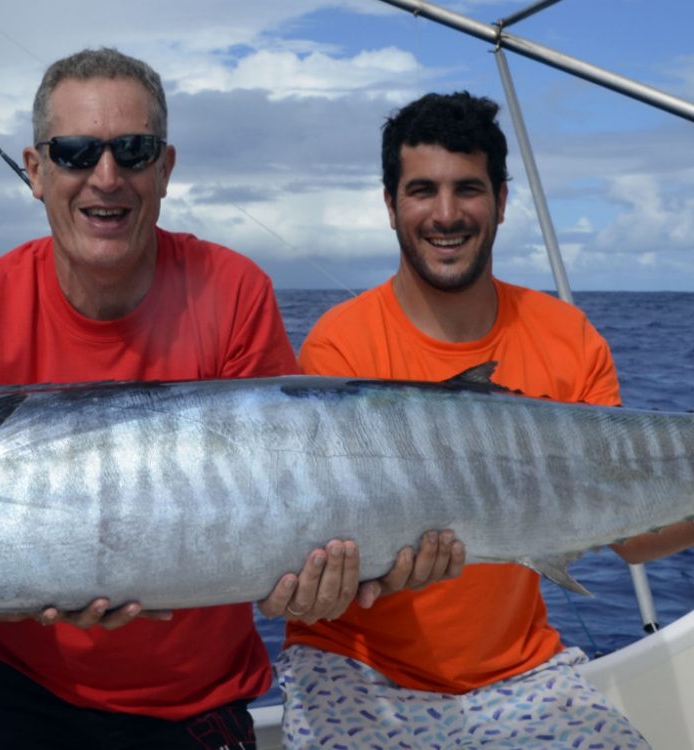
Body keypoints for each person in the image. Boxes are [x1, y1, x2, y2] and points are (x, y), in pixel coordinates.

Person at [0, 48, 462, 749]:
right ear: (36, 170)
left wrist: (322, 581)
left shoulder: (234, 291)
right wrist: (22, 599)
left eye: (134, 150)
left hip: (194, 703)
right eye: (77, 152)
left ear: (166, 169)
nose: (106, 177)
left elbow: (283, 497)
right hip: (21, 694)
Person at [275, 91, 680, 749]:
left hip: (523, 671)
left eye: (467, 189)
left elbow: (633, 537)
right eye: (421, 190)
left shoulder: (569, 336)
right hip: (357, 669)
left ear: (500, 199)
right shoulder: (338, 346)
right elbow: (327, 547)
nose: (445, 214)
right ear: (389, 205)